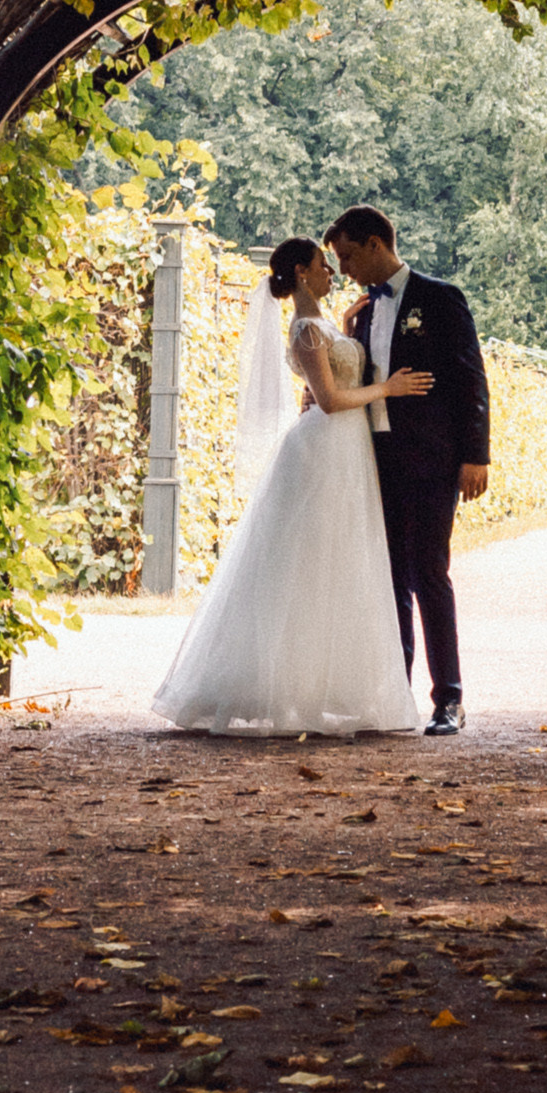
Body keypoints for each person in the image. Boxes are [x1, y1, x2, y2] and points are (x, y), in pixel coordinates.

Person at [149, 237, 435, 737]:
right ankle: (293, 687)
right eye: (325, 266)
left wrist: (345, 331)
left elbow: (332, 368)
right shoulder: (305, 328)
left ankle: (329, 685)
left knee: (341, 563)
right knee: (310, 564)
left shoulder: (322, 324)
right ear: (303, 272)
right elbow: (326, 399)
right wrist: (386, 390)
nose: (333, 273)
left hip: (348, 451)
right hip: (326, 449)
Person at [324, 204, 489, 737]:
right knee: (388, 576)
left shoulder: (440, 299)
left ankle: (450, 699)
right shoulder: (364, 312)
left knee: (428, 573)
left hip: (433, 457)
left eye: (348, 256)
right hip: (376, 459)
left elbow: (470, 379)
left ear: (376, 244)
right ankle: (396, 697)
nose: (344, 269)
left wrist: (475, 455)